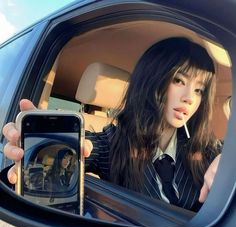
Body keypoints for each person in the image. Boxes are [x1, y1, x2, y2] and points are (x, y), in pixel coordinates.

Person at [2, 37, 221, 212]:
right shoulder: (112, 142)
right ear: (152, 79)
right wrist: (36, 149)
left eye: (199, 90)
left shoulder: (207, 150)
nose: (189, 98)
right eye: (179, 80)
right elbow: (78, 149)